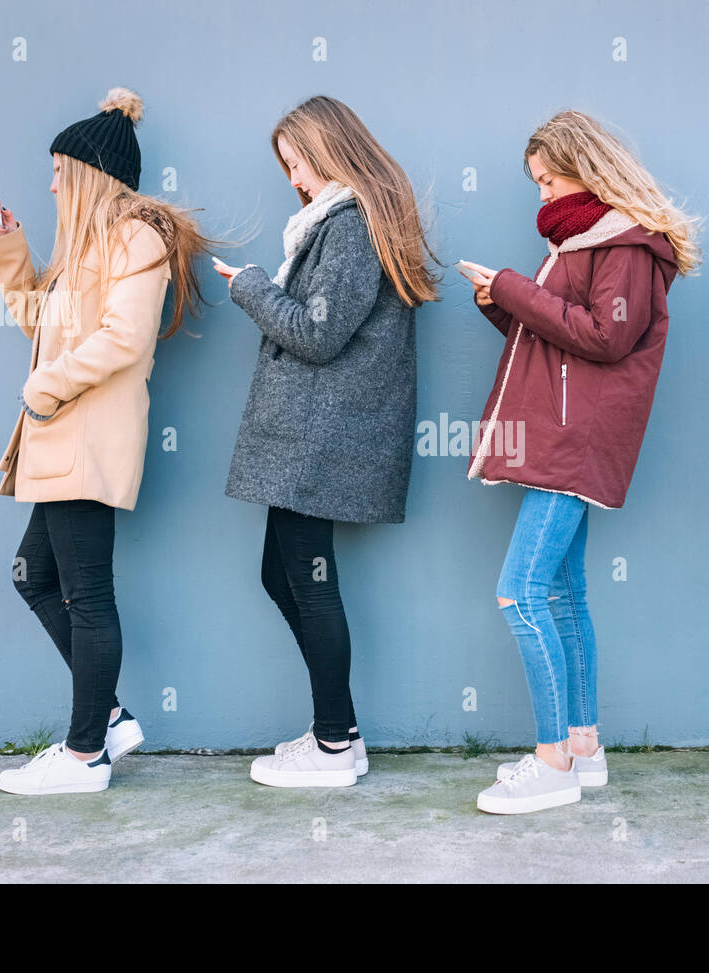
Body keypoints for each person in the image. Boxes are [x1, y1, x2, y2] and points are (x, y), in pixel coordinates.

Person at [460, 110, 700, 814]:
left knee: (520, 592)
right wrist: (499, 304)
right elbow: (559, 336)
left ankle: (553, 759)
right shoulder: (581, 239)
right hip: (565, 435)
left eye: (547, 179)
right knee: (563, 594)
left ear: (586, 169)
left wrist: (511, 287)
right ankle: (583, 746)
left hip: (577, 441)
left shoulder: (623, 243)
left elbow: (604, 337)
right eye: (536, 183)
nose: (540, 196)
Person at [0, 88, 215, 795]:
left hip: (83, 439)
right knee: (34, 574)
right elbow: (39, 325)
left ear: (89, 171)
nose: (51, 182)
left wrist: (43, 390)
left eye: (59, 170)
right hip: (59, 440)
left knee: (88, 595)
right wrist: (8, 248)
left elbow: (127, 338)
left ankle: (86, 754)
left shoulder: (135, 236)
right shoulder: (81, 243)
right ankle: (107, 718)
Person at [215, 95, 438, 788]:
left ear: (327, 150)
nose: (294, 180)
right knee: (285, 574)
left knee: (308, 581)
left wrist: (249, 286)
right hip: (315, 436)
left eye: (297, 163)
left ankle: (336, 743)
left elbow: (317, 330)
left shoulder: (348, 225)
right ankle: (336, 732)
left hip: (320, 438)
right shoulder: (351, 220)